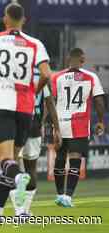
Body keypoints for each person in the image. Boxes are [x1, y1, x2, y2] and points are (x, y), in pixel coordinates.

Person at [0, 3, 60, 217]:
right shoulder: (35, 44)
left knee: (6, 162)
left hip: (2, 104)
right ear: (24, 20)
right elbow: (47, 74)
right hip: (25, 108)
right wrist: (33, 90)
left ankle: (18, 181)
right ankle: (0, 211)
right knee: (12, 159)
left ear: (5, 18)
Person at [52, 48, 105, 207]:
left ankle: (60, 194)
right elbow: (99, 100)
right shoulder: (91, 77)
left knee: (60, 159)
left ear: (68, 59)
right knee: (75, 159)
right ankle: (68, 196)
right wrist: (101, 120)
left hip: (60, 123)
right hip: (79, 124)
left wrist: (47, 124)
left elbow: (51, 101)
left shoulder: (57, 77)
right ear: (83, 60)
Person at [10, 69, 61, 215]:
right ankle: (25, 210)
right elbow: (50, 103)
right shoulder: (41, 77)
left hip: (15, 126)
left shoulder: (15, 75)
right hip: (34, 127)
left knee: (11, 165)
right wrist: (56, 128)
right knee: (31, 168)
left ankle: (19, 211)